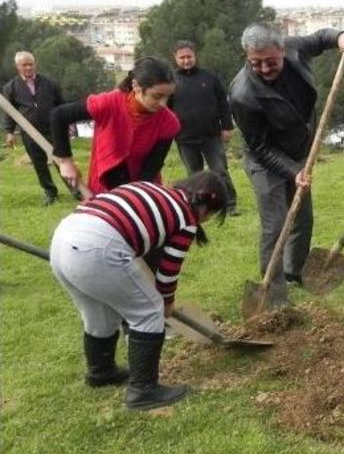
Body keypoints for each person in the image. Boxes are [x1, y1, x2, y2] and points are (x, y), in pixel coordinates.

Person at [49, 171, 228, 410]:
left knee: (99, 311)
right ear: (206, 209)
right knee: (149, 310)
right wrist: (166, 301)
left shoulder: (152, 188)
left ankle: (101, 371)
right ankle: (143, 390)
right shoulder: (186, 217)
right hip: (97, 245)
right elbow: (169, 269)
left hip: (64, 238)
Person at [229, 23, 344, 300]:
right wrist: (292, 171)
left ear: (282, 50)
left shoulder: (295, 49)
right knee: (275, 225)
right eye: (256, 63)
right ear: (247, 57)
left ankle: (294, 271)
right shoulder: (243, 95)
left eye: (270, 61)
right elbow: (260, 147)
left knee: (302, 217)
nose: (263, 69)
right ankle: (273, 294)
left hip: (299, 152)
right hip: (265, 161)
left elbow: (321, 38)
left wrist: (340, 38)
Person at [50, 56, 180, 197]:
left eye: (168, 97)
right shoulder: (108, 103)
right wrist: (65, 162)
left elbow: (152, 165)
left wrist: (136, 197)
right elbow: (59, 115)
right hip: (103, 187)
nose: (163, 104)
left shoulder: (169, 122)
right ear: (136, 86)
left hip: (143, 188)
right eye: (157, 96)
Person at [170, 40, 240, 216]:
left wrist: (227, 127)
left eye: (189, 56)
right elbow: (165, 111)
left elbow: (223, 103)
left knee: (220, 171)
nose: (186, 60)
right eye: (182, 57)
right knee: (194, 175)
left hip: (211, 136)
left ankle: (230, 204)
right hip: (185, 138)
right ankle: (199, 206)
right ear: (175, 58)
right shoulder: (171, 81)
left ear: (195, 56)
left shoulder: (209, 77)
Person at [2, 51, 80, 205]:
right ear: (18, 67)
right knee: (39, 164)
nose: (29, 67)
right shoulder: (10, 87)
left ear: (35, 64)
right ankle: (50, 193)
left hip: (53, 130)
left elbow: (62, 105)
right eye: (24, 65)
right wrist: (9, 132)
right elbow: (9, 112)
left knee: (62, 161)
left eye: (31, 64)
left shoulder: (49, 83)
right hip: (29, 133)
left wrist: (70, 124)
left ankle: (75, 190)